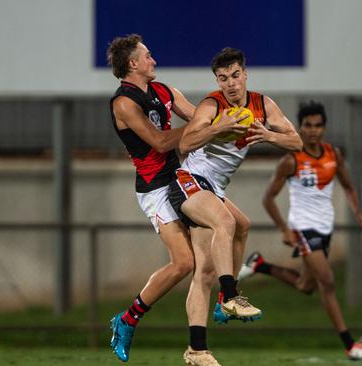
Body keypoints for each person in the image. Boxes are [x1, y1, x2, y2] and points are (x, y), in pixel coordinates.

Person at [169, 47, 302, 360]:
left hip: (213, 189)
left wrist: (268, 135)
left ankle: (199, 344)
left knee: (238, 230)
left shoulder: (262, 105)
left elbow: (296, 142)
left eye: (235, 75)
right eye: (223, 78)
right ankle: (229, 295)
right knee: (226, 223)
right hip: (188, 182)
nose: (230, 83)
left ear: (245, 74)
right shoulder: (212, 105)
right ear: (218, 81)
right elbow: (185, 143)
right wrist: (219, 127)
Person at [107, 34, 224, 365]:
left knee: (221, 237)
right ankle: (128, 319)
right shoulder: (124, 103)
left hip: (180, 178)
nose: (153, 60)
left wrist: (232, 121)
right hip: (155, 188)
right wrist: (210, 131)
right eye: (148, 56)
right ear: (133, 64)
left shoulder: (165, 91)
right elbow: (159, 143)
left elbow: (200, 118)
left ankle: (206, 333)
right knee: (185, 263)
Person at [238, 101, 362, 360]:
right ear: (299, 127)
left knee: (306, 285)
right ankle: (350, 345)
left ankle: (260, 265)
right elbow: (268, 199)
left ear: (323, 127)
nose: (313, 131)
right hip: (303, 228)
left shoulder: (333, 154)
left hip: (324, 229)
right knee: (328, 281)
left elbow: (348, 186)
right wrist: (284, 229)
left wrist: (358, 212)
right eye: (308, 125)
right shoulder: (291, 160)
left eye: (318, 125)